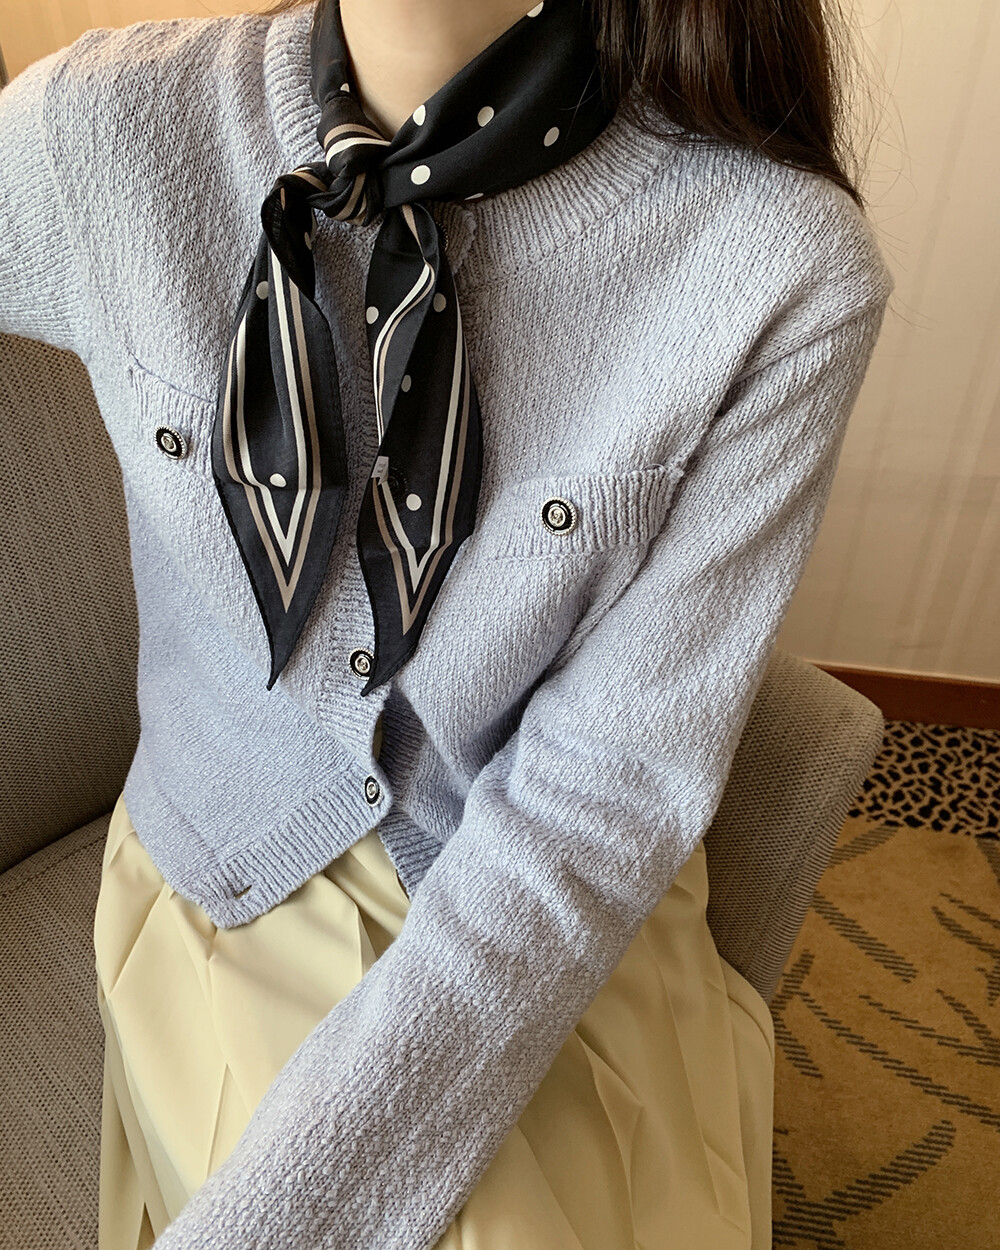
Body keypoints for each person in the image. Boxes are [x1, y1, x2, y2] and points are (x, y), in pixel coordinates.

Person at [0, 0, 893, 1246]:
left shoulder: (780, 265)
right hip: (238, 857)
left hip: (548, 882)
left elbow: (610, 791)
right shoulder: (102, 133)